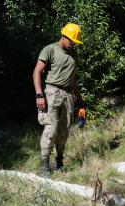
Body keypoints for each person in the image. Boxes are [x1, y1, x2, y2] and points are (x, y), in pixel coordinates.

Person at [32, 23, 83, 178]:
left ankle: (59, 160)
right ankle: (45, 165)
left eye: (75, 41)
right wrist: (39, 94)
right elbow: (37, 71)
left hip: (68, 95)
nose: (73, 43)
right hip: (51, 92)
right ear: (64, 36)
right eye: (72, 40)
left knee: (64, 130)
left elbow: (73, 80)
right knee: (50, 130)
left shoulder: (74, 55)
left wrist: (80, 101)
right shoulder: (50, 49)